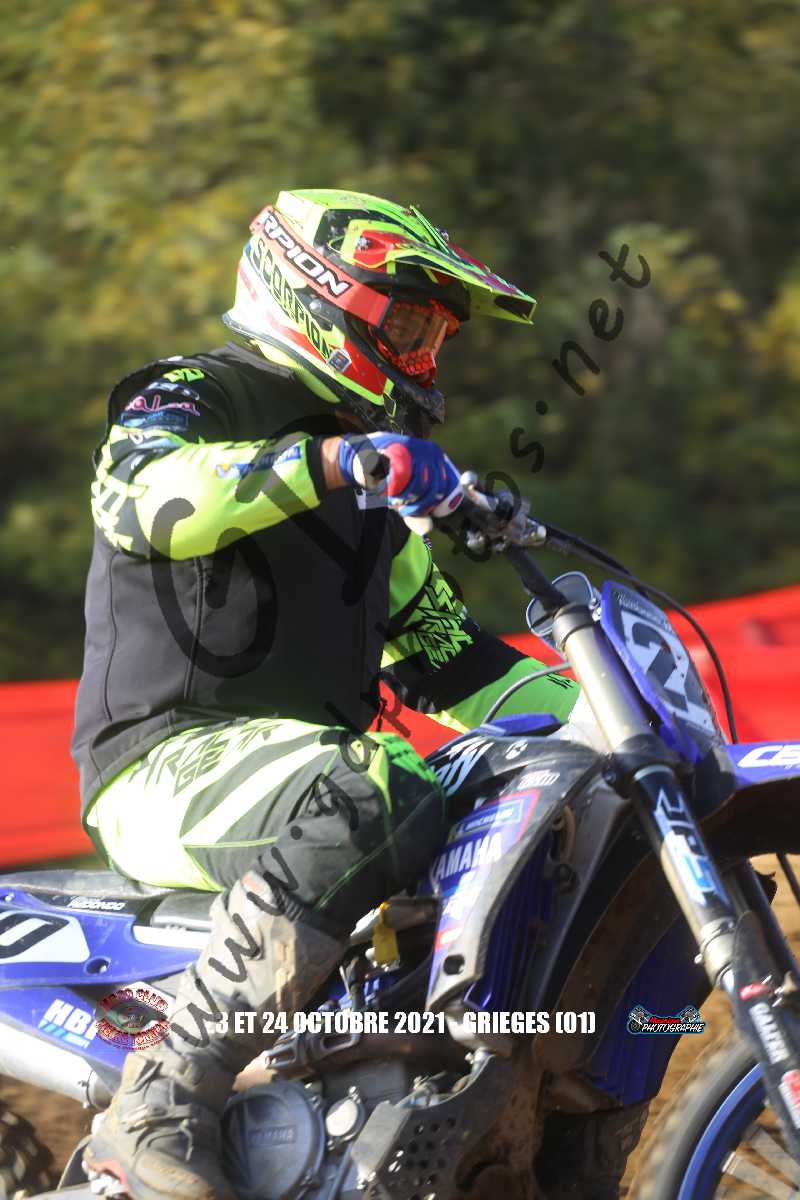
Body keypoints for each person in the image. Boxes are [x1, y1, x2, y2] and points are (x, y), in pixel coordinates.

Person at [73, 189, 580, 1198]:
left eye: (435, 337)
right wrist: (337, 460)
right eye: (407, 324)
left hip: (302, 789)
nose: (422, 355)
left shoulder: (369, 499)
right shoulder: (195, 393)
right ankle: (158, 1098)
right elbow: (141, 495)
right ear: (318, 293)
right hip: (162, 763)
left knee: (535, 813)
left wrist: (631, 730)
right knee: (373, 784)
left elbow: (460, 667)